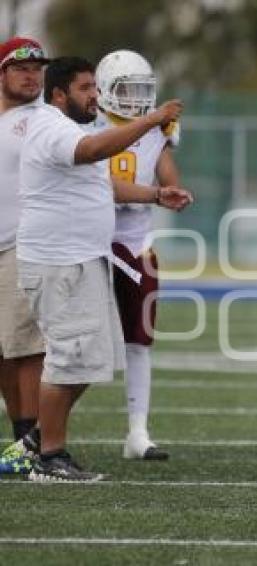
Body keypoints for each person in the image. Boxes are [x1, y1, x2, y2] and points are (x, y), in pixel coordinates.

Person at [16, 56, 185, 481]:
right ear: (59, 94)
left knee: (91, 360)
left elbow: (100, 183)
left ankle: (39, 440)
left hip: (83, 259)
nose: (94, 96)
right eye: (85, 88)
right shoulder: (51, 126)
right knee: (68, 358)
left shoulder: (71, 129)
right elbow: (95, 151)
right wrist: (151, 121)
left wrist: (153, 195)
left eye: (95, 87)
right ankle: (50, 457)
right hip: (60, 262)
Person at [93, 49, 190, 460]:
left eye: (141, 90)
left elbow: (168, 177)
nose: (135, 98)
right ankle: (41, 430)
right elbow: (106, 186)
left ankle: (138, 432)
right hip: (92, 244)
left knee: (140, 341)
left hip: (137, 245)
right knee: (70, 343)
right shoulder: (88, 127)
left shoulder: (155, 131)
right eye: (126, 89)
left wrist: (174, 191)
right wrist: (155, 193)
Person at [0, 37, 49, 472]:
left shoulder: (44, 119)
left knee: (27, 348)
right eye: (21, 67)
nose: (32, 74)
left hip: (22, 242)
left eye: (37, 67)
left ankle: (31, 442)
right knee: (3, 349)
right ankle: (19, 437)